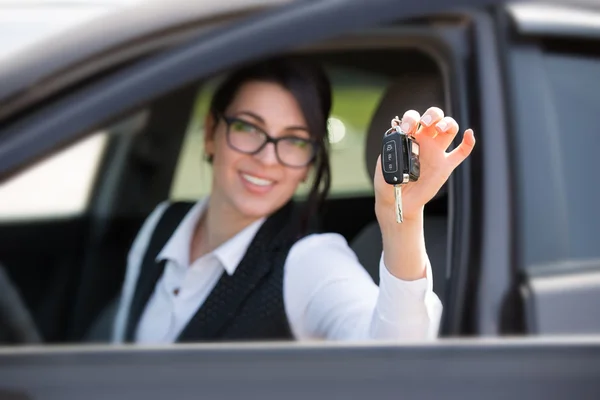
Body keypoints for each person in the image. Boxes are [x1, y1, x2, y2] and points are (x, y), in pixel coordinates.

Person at [111, 57, 475, 344]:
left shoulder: (309, 262)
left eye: (295, 141)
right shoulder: (163, 224)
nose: (267, 158)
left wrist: (403, 221)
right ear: (211, 134)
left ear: (309, 163)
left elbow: (396, 357)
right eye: (248, 128)